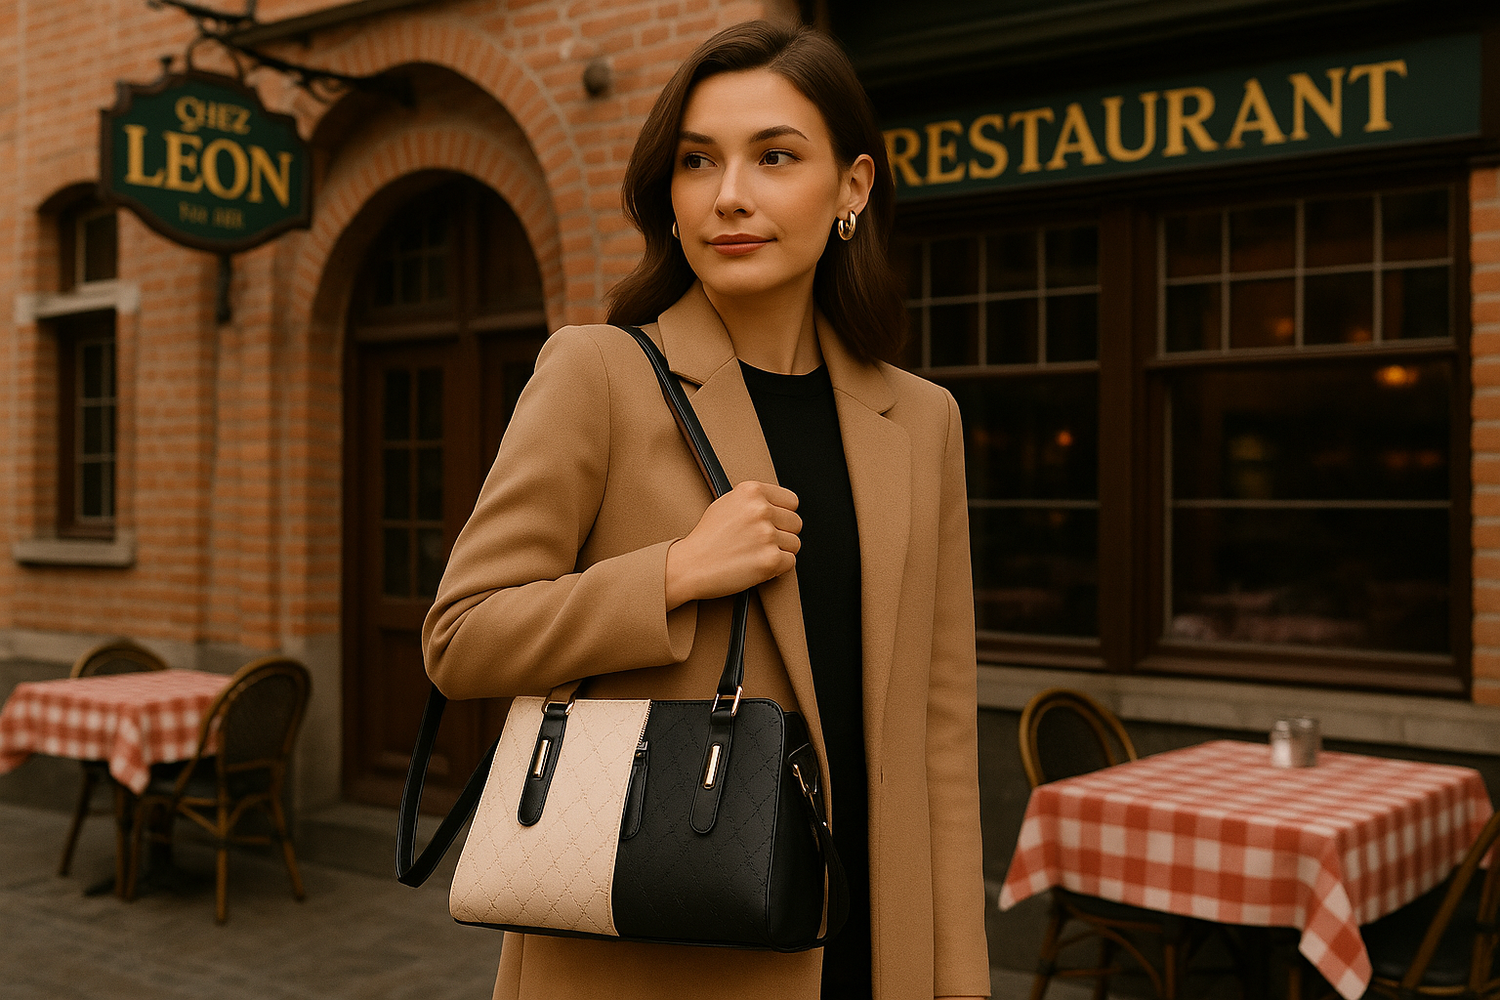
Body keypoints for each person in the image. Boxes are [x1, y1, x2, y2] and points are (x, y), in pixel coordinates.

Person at [422, 19, 990, 1000]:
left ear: (852, 188)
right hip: (656, 953)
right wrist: (672, 574)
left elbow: (940, 733)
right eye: (697, 161)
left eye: (775, 156)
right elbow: (460, 638)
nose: (729, 193)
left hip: (866, 948)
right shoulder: (600, 373)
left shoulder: (920, 419)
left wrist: (958, 978)